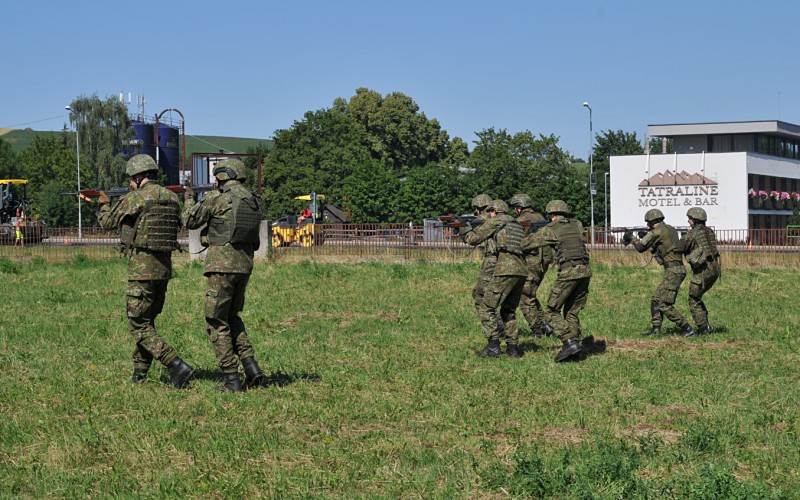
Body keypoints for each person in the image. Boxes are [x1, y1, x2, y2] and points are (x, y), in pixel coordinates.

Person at [97, 154, 195, 387]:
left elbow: (108, 223)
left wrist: (103, 203)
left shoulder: (136, 198)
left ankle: (175, 364)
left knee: (138, 324)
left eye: (132, 179)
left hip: (141, 270)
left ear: (140, 177)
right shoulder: (171, 198)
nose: (131, 183)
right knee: (147, 323)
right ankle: (139, 374)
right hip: (163, 269)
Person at [182, 158, 268, 392]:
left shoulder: (217, 198)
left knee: (215, 320)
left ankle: (231, 378)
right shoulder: (252, 200)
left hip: (221, 267)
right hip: (244, 266)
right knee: (232, 317)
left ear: (221, 177)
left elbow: (189, 220)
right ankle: (252, 369)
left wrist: (189, 198)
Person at [523, 200, 590, 362]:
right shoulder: (577, 224)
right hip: (586, 271)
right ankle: (576, 350)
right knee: (571, 312)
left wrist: (523, 232)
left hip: (569, 272)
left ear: (552, 215)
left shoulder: (550, 229)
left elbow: (526, 245)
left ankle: (568, 342)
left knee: (552, 311)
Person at [461, 199, 527, 357]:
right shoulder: (516, 224)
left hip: (505, 269)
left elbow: (473, 239)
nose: (488, 215)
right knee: (508, 311)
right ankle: (512, 349)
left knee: (486, 307)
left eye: (490, 212)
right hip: (522, 270)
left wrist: (463, 228)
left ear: (494, 212)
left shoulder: (495, 221)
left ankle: (493, 346)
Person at [627, 209, 695, 337]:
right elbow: (663, 245)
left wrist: (632, 238)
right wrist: (647, 236)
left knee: (664, 304)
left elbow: (640, 247)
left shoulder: (657, 231)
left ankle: (687, 328)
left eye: (649, 223)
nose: (648, 225)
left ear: (655, 221)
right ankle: (656, 328)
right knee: (655, 299)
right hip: (676, 269)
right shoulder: (671, 229)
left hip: (673, 271)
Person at [509, 193, 553, 337]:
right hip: (544, 260)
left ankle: (538, 331)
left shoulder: (520, 220)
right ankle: (545, 325)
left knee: (525, 296)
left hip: (531, 260)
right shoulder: (540, 217)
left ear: (518, 208)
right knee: (530, 293)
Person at [679, 207, 720, 335]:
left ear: (696, 220)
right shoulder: (709, 231)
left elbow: (679, 247)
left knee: (693, 298)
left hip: (703, 270)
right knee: (697, 297)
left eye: (690, 219)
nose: (688, 221)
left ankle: (703, 328)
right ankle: (705, 323)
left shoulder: (692, 234)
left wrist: (684, 236)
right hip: (715, 268)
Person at [468, 194, 495, 318]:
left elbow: (472, 239)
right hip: (506, 260)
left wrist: (464, 230)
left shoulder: (483, 219)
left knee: (480, 293)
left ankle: (494, 323)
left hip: (491, 260)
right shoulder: (498, 217)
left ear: (479, 207)